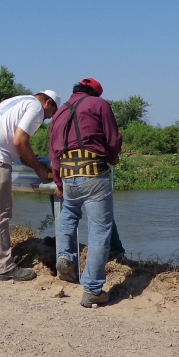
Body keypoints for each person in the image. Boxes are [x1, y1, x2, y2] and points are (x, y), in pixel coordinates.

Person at [0, 90, 60, 282]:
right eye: (51, 114)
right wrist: (38, 167)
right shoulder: (36, 108)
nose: (48, 118)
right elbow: (19, 140)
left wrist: (29, 160)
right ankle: (4, 267)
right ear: (48, 103)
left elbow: (11, 138)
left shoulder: (18, 100)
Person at [49, 78, 122, 308]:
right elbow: (113, 139)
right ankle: (92, 289)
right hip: (94, 173)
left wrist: (59, 182)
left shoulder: (60, 112)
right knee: (99, 230)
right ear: (94, 93)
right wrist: (112, 157)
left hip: (68, 175)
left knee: (69, 215)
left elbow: (53, 152)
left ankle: (65, 259)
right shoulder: (99, 104)